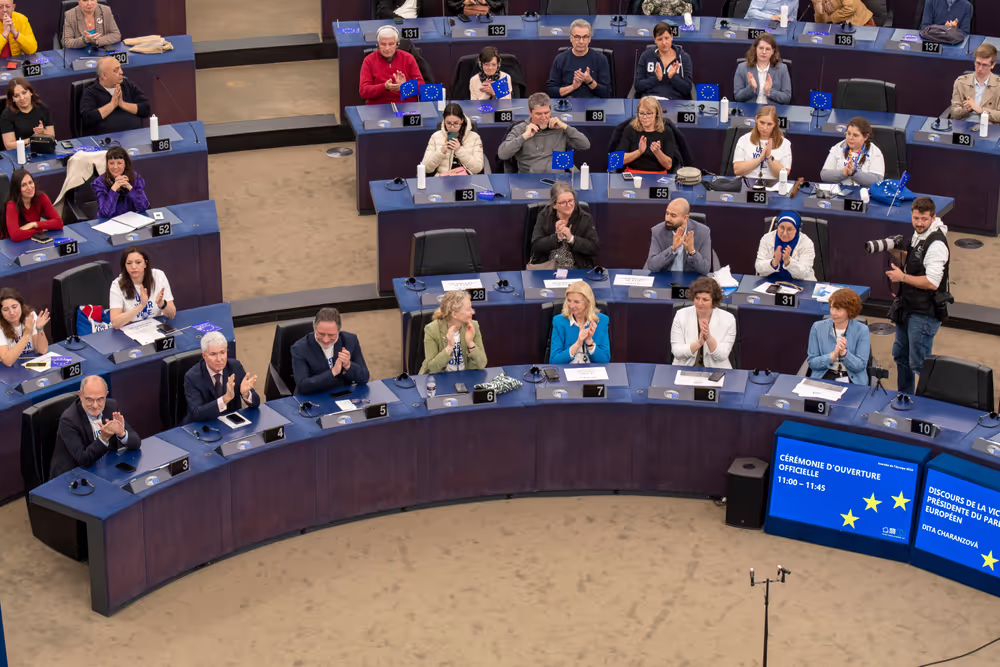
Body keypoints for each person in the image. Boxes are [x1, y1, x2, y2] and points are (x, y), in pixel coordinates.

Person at [886, 197, 950, 396]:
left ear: (933, 217)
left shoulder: (937, 243)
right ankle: (904, 397)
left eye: (924, 219)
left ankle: (927, 406)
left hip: (924, 313)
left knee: (920, 364)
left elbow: (932, 282)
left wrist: (902, 277)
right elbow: (917, 261)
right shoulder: (918, 234)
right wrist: (896, 254)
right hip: (907, 308)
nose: (919, 223)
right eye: (916, 218)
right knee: (901, 356)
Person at [49, 375, 141, 480]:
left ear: (106, 395)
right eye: (89, 400)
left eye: (100, 399)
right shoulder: (69, 420)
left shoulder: (111, 407)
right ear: (80, 395)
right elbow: (84, 460)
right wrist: (103, 438)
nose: (95, 405)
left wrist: (122, 434)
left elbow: (136, 443)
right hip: (73, 476)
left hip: (104, 469)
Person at [497, 92, 591, 173]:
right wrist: (524, 136)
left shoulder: (559, 127)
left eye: (546, 113)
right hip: (529, 179)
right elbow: (502, 154)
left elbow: (585, 145)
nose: (544, 117)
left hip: (557, 179)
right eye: (539, 114)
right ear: (530, 112)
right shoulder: (520, 129)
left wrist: (566, 127)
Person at [183, 331, 259, 424]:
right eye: (213, 354)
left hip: (230, 424)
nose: (219, 359)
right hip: (203, 426)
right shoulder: (192, 377)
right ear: (204, 356)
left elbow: (256, 403)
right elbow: (197, 413)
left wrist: (246, 394)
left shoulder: (235, 367)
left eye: (222, 353)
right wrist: (224, 399)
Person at [291, 307, 370, 394]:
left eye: (331, 335)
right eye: (321, 334)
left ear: (339, 331)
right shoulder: (299, 348)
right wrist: (333, 372)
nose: (326, 340)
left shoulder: (350, 340)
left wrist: (348, 365)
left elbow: (364, 377)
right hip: (314, 397)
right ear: (314, 327)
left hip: (342, 395)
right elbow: (303, 386)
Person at [529, 181, 600, 269]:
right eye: (563, 202)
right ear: (554, 205)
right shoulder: (544, 217)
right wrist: (556, 237)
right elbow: (535, 248)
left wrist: (571, 238)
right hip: (548, 268)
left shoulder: (584, 218)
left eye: (571, 201)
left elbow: (594, 248)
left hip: (576, 268)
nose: (569, 205)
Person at [807, 288, 871, 385]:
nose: (833, 313)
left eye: (838, 309)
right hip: (824, 376)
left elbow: (860, 366)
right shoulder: (817, 327)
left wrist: (844, 354)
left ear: (850, 311)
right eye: (832, 308)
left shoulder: (862, 330)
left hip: (852, 379)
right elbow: (812, 362)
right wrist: (832, 356)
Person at [670, 277, 737, 369]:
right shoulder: (681, 315)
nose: (700, 303)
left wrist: (709, 338)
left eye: (705, 300)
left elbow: (722, 355)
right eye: (697, 298)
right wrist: (698, 344)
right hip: (684, 368)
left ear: (714, 301)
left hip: (716, 370)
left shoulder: (728, 319)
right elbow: (677, 352)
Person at [419, 290, 487, 374]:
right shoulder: (432, 329)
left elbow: (482, 364)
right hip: (441, 379)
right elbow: (432, 368)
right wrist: (449, 347)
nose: (472, 312)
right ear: (454, 314)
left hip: (466, 377)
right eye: (468, 309)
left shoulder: (473, 326)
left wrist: (470, 343)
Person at [80, 57, 151, 135]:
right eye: (116, 70)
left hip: (134, 135)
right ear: (104, 76)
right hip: (106, 139)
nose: (121, 72)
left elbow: (146, 109)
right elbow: (88, 118)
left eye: (120, 68)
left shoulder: (127, 85)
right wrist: (112, 105)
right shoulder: (91, 92)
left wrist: (123, 104)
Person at [109, 247, 175, 329]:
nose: (133, 267)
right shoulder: (117, 284)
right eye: (129, 263)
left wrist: (161, 303)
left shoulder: (158, 276)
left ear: (145, 264)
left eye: (138, 262)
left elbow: (171, 315)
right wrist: (141, 306)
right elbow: (115, 323)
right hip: (132, 330)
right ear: (124, 266)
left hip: (156, 327)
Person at [545, 19, 611, 100]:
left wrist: (589, 81)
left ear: (589, 38)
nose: (581, 41)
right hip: (567, 106)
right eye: (577, 37)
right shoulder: (560, 59)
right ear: (571, 38)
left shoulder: (601, 59)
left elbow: (606, 93)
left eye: (585, 37)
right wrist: (573, 87)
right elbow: (551, 91)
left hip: (593, 106)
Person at [359, 26, 424, 106]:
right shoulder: (369, 60)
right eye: (383, 44)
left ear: (397, 44)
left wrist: (405, 86)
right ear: (378, 44)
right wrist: (384, 87)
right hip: (378, 107)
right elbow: (364, 91)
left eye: (391, 44)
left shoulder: (408, 58)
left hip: (405, 106)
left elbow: (421, 87)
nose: (387, 48)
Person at [549, 280, 610, 364]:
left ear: (587, 302)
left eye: (576, 302)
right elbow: (554, 361)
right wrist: (577, 344)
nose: (571, 305)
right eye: (569, 300)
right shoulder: (559, 322)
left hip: (593, 372)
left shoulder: (602, 321)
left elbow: (605, 361)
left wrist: (590, 342)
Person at [644, 198, 712, 274]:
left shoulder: (703, 232)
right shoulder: (658, 231)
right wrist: (672, 249)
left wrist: (692, 251)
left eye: (673, 215)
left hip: (690, 281)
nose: (668, 218)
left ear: (685, 218)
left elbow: (705, 269)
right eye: (667, 213)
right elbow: (652, 266)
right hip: (665, 280)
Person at [616, 96, 678, 174]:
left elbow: (668, 165)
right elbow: (618, 160)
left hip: (658, 175)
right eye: (641, 113)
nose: (645, 117)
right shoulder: (631, 129)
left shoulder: (666, 131)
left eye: (649, 113)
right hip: (633, 173)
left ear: (656, 114)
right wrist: (639, 152)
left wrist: (657, 152)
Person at [633, 22, 694, 101]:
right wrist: (656, 78)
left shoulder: (683, 58)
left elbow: (687, 89)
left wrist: (673, 78)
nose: (664, 42)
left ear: (671, 37)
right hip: (650, 101)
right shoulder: (646, 56)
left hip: (674, 102)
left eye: (666, 38)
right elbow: (638, 86)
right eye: (660, 39)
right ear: (655, 40)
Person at [420, 103, 484, 177]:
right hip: (442, 179)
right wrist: (441, 151)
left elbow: (477, 168)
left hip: (466, 178)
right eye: (448, 123)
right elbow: (426, 168)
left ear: (462, 120)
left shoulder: (474, 138)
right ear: (444, 121)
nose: (452, 127)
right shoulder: (435, 137)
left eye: (456, 123)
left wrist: (459, 150)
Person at [819, 117, 885, 187]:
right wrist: (843, 173)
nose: (850, 138)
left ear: (865, 137)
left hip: (864, 195)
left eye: (855, 135)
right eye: (848, 133)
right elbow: (824, 175)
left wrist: (854, 173)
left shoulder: (875, 152)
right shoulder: (839, 147)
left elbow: (878, 180)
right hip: (839, 194)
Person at [732, 106, 792, 180]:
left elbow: (783, 175)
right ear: (756, 119)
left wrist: (769, 157)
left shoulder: (785, 143)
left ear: (775, 124)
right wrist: (759, 159)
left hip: (772, 185)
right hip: (746, 183)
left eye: (769, 124)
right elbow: (737, 170)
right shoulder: (744, 139)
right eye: (762, 122)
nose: (765, 127)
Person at [755, 211, 816, 281]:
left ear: (797, 229)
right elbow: (758, 268)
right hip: (770, 282)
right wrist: (774, 262)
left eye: (790, 229)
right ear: (777, 226)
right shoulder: (766, 239)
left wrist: (788, 262)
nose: (784, 233)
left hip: (800, 284)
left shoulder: (806, 243)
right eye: (781, 228)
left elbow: (804, 273)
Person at [5, 169, 63, 242]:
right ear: (17, 188)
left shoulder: (41, 197)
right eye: (24, 185)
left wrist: (34, 224)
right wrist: (39, 230)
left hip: (33, 240)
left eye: (30, 182)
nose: (29, 187)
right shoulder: (12, 205)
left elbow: (59, 223)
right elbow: (15, 235)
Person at [733, 34, 791, 106]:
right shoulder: (742, 68)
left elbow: (787, 98)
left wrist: (769, 91)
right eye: (761, 48)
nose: (764, 52)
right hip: (749, 110)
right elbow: (737, 97)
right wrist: (751, 88)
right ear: (755, 49)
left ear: (773, 51)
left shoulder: (782, 69)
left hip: (772, 111)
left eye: (767, 49)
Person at [92, 146, 149, 217]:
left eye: (119, 163)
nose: (115, 167)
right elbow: (105, 213)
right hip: (108, 222)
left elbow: (143, 207)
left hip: (131, 221)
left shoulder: (135, 178)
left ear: (125, 164)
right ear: (107, 165)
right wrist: (114, 189)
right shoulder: (99, 182)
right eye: (111, 163)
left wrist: (129, 188)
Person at [950, 44, 1000, 124]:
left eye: (984, 65)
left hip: (989, 126)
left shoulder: (998, 85)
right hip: (964, 125)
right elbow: (954, 113)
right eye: (978, 63)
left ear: (993, 65)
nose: (980, 68)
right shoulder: (961, 82)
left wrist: (980, 110)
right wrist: (966, 109)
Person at [0, 287, 48, 366]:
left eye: (14, 307)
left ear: (21, 305)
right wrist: (26, 334)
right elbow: (8, 362)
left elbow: (42, 350)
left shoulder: (30, 316)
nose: (12, 312)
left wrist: (40, 329)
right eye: (5, 309)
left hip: (28, 365)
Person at [1, 78, 53, 150]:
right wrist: (33, 140)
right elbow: (9, 145)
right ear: (12, 99)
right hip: (18, 153)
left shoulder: (43, 108)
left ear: (31, 92)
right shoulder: (7, 115)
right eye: (16, 96)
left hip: (41, 150)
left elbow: (52, 137)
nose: (22, 98)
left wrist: (43, 132)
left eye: (24, 93)